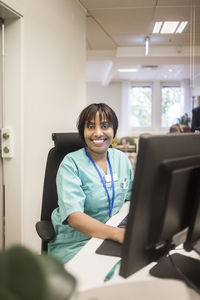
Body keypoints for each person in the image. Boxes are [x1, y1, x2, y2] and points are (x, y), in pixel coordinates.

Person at [48, 103, 133, 264]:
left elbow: (131, 199)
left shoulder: (121, 159)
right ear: (83, 132)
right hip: (75, 242)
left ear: (114, 130)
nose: (98, 133)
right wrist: (116, 234)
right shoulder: (71, 163)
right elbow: (74, 218)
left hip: (111, 237)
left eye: (105, 126)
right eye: (91, 126)